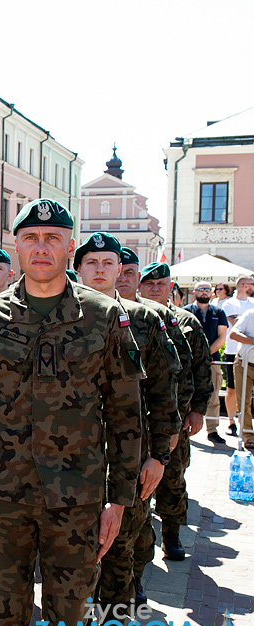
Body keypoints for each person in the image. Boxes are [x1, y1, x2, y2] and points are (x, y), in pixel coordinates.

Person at [0, 199, 143, 626]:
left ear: (69, 246)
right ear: (16, 245)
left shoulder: (103, 316)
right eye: (31, 237)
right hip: (2, 496)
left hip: (77, 499)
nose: (41, 247)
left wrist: (119, 499)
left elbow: (125, 413)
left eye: (52, 237)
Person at [74, 233, 179, 626]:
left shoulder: (144, 320)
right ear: (77, 269)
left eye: (108, 262)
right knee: (72, 556)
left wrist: (159, 456)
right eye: (91, 262)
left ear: (122, 270)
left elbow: (163, 394)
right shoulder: (58, 319)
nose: (99, 270)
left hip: (127, 461)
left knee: (119, 553)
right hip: (70, 464)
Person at [115, 248, 194, 605]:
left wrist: (169, 436)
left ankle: (133, 581)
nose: (121, 277)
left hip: (140, 441)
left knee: (136, 522)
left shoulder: (154, 319)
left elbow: (175, 379)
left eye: (129, 271)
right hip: (85, 451)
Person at [138, 263, 213, 562]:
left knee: (172, 479)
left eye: (161, 283)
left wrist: (198, 411)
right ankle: (144, 542)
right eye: (149, 283)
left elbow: (201, 369)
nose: (154, 288)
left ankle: (171, 534)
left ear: (171, 286)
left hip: (176, 421)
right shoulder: (128, 317)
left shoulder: (187, 322)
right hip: (138, 420)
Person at [184, 281, 229, 444]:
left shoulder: (219, 312)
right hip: (189, 362)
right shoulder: (186, 311)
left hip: (212, 361)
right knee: (186, 394)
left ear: (212, 293)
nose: (204, 292)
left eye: (207, 290)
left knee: (214, 396)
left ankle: (213, 430)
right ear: (195, 292)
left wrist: (204, 355)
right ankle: (185, 427)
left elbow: (222, 337)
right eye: (201, 289)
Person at [220, 275, 254, 437]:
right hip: (234, 352)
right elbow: (234, 324)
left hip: (249, 353)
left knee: (247, 394)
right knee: (233, 390)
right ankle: (232, 422)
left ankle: (245, 425)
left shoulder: (252, 304)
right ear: (245, 285)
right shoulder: (229, 303)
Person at [229, 307, 254, 449]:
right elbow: (234, 334)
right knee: (243, 401)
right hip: (244, 363)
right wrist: (252, 341)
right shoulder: (250, 313)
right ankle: (248, 435)